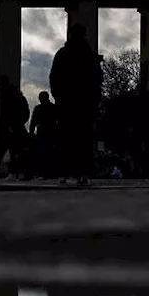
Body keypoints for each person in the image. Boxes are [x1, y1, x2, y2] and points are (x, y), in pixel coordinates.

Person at [49, 22, 101, 185]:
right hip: (83, 102)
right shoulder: (89, 55)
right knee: (82, 139)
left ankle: (65, 172)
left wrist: (58, 97)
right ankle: (82, 173)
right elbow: (97, 80)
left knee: (66, 138)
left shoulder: (63, 53)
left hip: (68, 102)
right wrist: (94, 101)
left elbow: (54, 78)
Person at [0, 75, 30, 179]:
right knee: (15, 151)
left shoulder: (8, 96)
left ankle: (1, 173)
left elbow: (9, 113)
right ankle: (15, 172)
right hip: (13, 127)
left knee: (6, 150)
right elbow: (25, 112)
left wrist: (13, 124)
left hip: (11, 128)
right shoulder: (16, 95)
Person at [30, 91, 58, 179]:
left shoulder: (39, 108)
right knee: (47, 153)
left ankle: (45, 173)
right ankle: (48, 173)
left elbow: (33, 121)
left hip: (46, 132)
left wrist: (31, 132)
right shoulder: (52, 107)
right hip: (47, 132)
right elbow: (33, 121)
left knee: (45, 153)